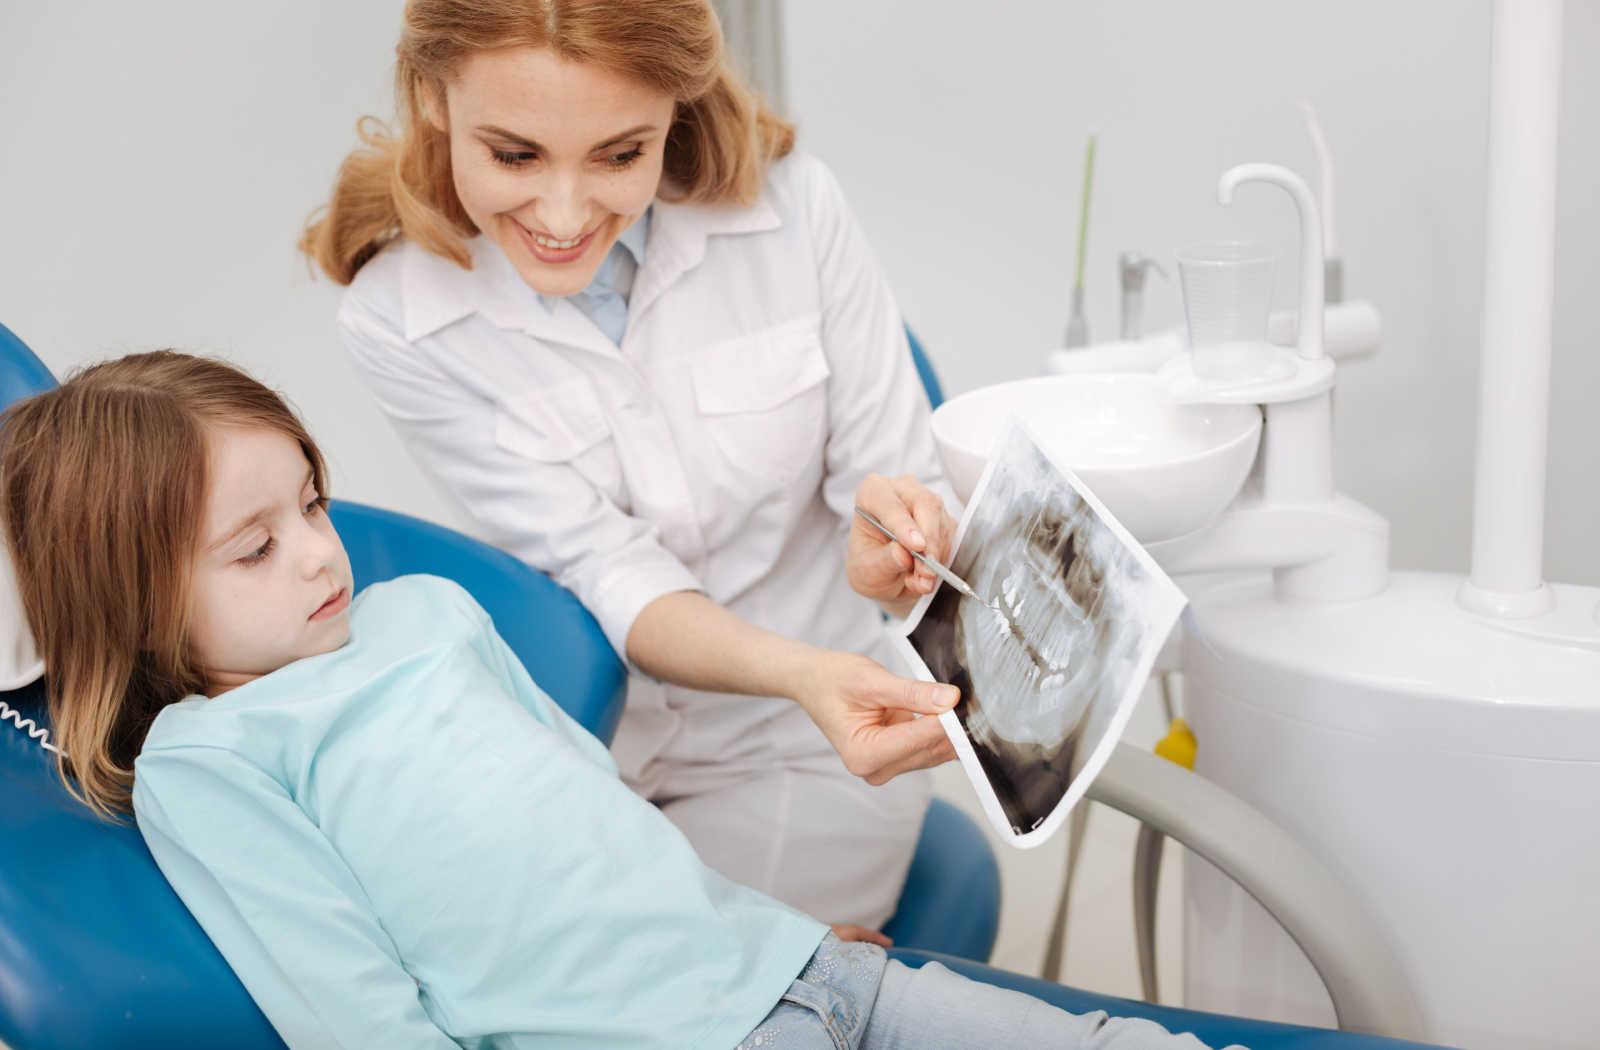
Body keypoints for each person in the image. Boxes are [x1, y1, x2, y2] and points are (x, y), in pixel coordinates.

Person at [0, 351, 1235, 1050]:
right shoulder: (212, 761)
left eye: (311, 505)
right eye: (253, 549)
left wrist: (751, 925)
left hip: (808, 973)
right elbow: (355, 1016)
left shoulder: (423, 611)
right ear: (139, 606)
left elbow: (592, 813)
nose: (322, 555)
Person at [302, 0, 965, 929]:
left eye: (621, 155)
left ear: (676, 112)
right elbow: (606, 567)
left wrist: (890, 550)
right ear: (434, 98)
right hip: (587, 746)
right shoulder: (397, 316)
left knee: (714, 997)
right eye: (515, 155)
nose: (566, 214)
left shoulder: (794, 211)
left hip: (810, 735)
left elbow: (891, 476)